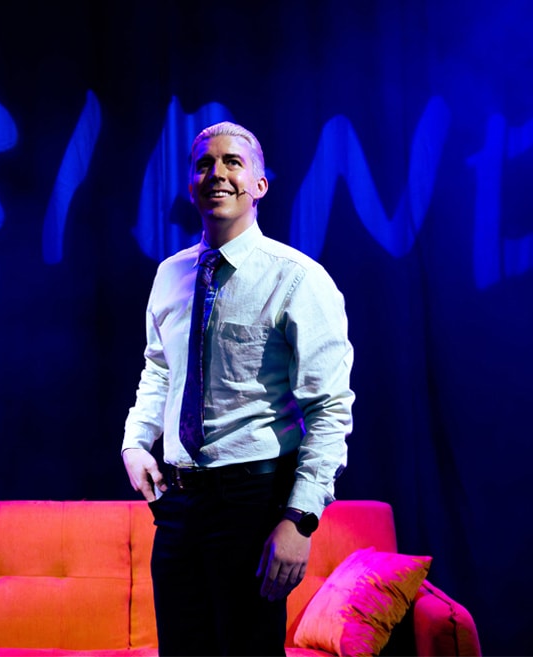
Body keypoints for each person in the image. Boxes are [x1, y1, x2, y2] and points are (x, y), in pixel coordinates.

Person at [121, 121, 354, 656]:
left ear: (260, 184)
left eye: (232, 162)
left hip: (253, 502)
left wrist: (299, 519)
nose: (217, 174)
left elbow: (329, 407)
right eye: (204, 164)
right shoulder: (170, 275)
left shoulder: (297, 278)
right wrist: (136, 442)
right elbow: (159, 368)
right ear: (190, 184)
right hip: (178, 505)